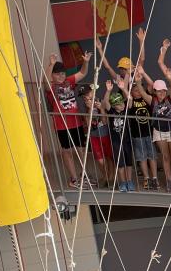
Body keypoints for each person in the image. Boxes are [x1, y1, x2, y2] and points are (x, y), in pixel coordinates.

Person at [45, 51, 93, 188]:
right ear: (52, 75)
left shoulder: (69, 81)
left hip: (76, 122)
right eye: (57, 73)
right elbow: (46, 82)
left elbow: (82, 73)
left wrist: (86, 61)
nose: (61, 76)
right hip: (61, 125)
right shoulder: (52, 87)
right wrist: (51, 65)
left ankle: (84, 175)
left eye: (62, 73)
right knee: (67, 152)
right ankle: (73, 178)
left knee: (81, 149)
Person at [148, 78, 171, 192]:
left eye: (163, 90)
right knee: (165, 157)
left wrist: (170, 78)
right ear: (155, 91)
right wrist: (139, 80)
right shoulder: (152, 101)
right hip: (159, 132)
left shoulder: (170, 98)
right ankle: (169, 180)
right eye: (159, 91)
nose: (161, 93)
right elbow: (142, 92)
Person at [102, 80, 135, 192]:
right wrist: (108, 91)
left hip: (127, 140)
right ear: (114, 106)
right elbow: (106, 102)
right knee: (120, 164)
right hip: (116, 141)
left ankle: (129, 181)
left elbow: (130, 99)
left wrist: (124, 89)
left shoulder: (125, 110)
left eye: (122, 103)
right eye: (119, 104)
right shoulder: (111, 112)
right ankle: (122, 182)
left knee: (129, 162)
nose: (122, 105)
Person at [127, 72, 158, 190]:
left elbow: (152, 85)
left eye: (139, 89)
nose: (138, 92)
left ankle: (154, 178)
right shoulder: (130, 102)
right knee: (142, 157)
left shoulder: (147, 99)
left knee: (152, 156)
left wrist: (142, 74)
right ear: (131, 92)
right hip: (137, 135)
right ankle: (146, 178)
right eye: (135, 90)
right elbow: (126, 94)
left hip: (149, 133)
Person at [80, 85, 114, 188]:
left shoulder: (100, 101)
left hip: (104, 133)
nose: (86, 97)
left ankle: (110, 178)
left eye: (87, 94)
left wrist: (102, 109)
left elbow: (104, 121)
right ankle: (106, 177)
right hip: (94, 136)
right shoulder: (84, 106)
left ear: (92, 92)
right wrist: (90, 109)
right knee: (100, 159)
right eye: (83, 96)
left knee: (109, 157)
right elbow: (88, 123)